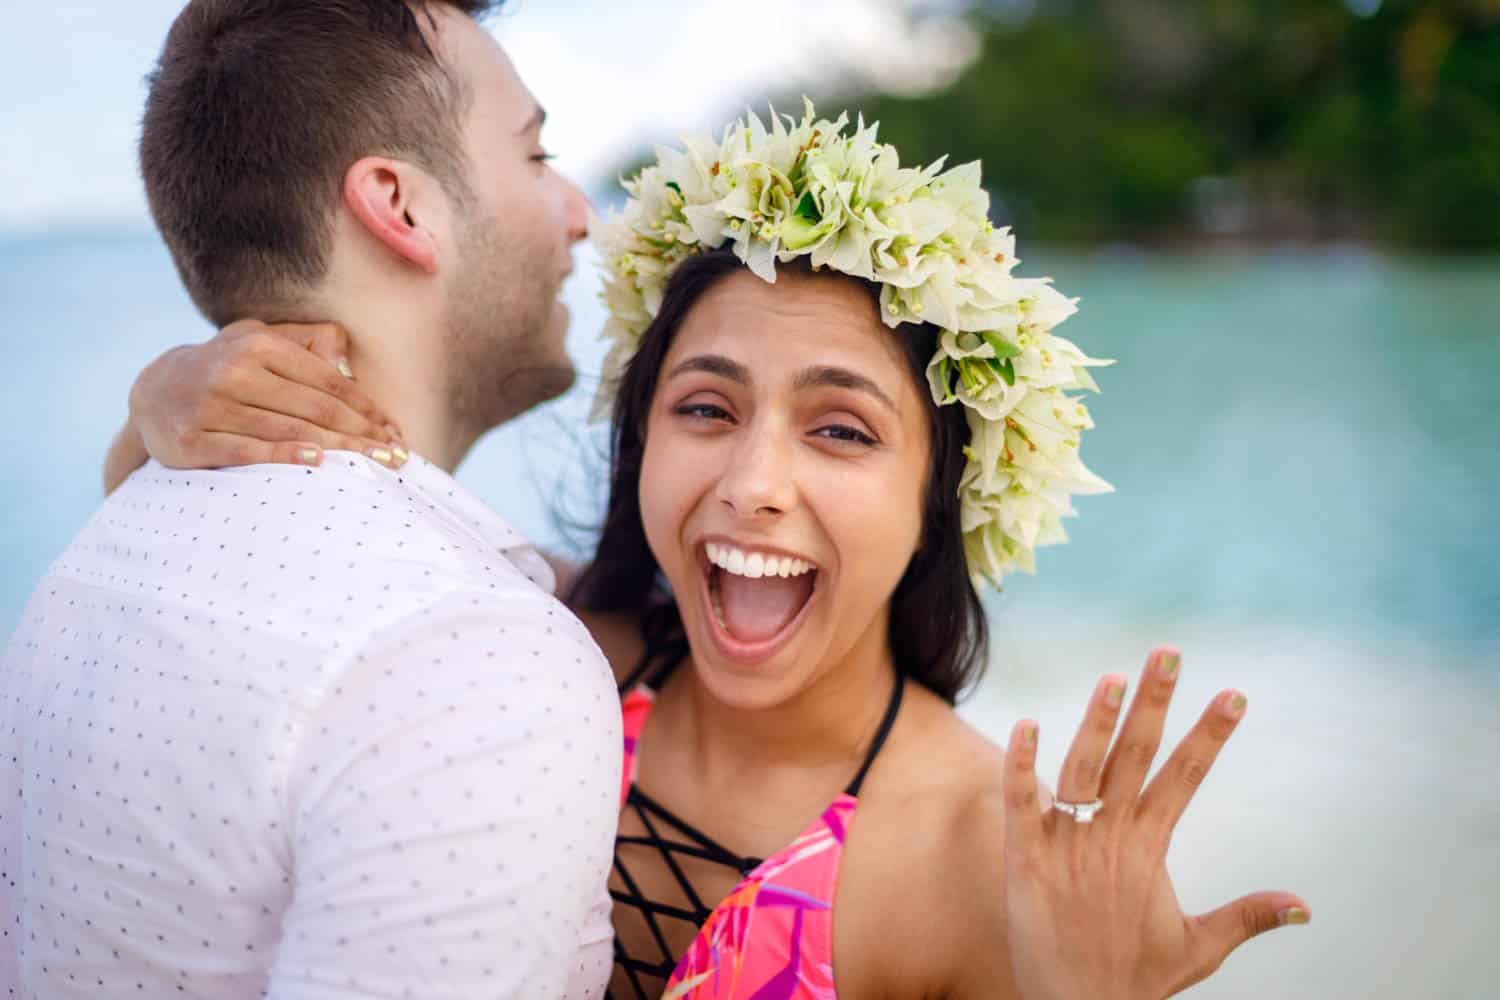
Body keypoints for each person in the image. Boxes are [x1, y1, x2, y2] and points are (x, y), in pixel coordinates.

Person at [113, 104, 1311, 998]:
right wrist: (164, 400)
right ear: (640, 443)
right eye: (705, 407)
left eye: (840, 429)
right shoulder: (537, 647)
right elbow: (238, 545)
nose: (752, 485)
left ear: (941, 498)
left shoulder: (977, 858)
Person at [0, 2, 623, 997]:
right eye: (537, 154)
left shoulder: (99, 558)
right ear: (401, 206)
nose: (582, 211)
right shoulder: (468, 650)